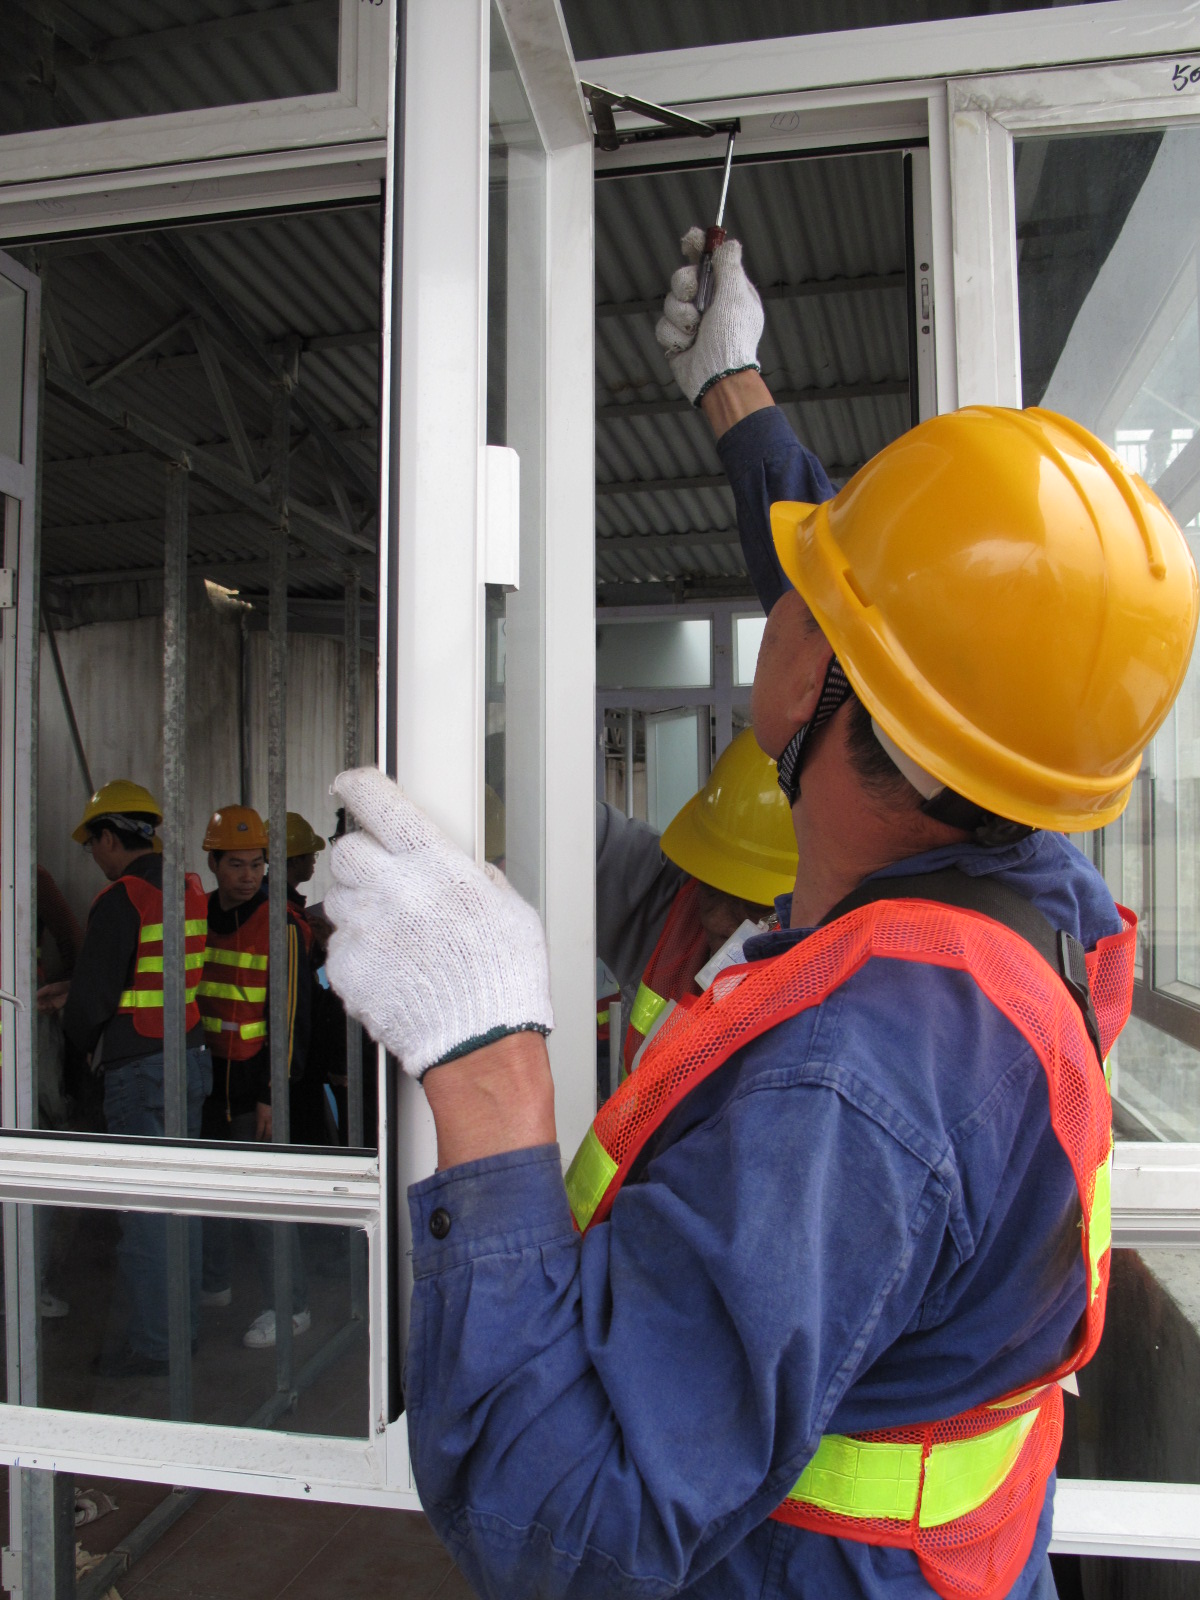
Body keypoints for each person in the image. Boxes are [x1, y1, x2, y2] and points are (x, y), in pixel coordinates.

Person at [319, 231, 1198, 1600]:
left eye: (803, 594)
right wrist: (735, 391)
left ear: (809, 688)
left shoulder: (853, 1084)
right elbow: (916, 630)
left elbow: (563, 1529)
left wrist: (489, 1069)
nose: (781, 591)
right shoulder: (1036, 889)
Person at [58, 780, 210, 1377]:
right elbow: (149, 973)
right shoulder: (187, 888)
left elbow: (93, 1002)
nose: (93, 856)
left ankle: (155, 1346)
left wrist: (73, 1044)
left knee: (147, 1214)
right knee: (181, 1203)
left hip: (140, 1071)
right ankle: (181, 1332)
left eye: (92, 844)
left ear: (108, 837)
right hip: (188, 1057)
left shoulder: (122, 897)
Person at [598, 728, 798, 1072]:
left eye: (750, 904)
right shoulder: (667, 902)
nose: (717, 919)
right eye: (710, 888)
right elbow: (558, 821)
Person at [195, 805, 312, 1348]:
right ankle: (214, 1283)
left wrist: (271, 1093)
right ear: (214, 863)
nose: (248, 876)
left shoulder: (279, 923)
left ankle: (291, 1307)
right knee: (210, 1192)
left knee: (266, 1201)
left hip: (253, 1086)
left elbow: (290, 1019)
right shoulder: (197, 915)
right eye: (236, 864)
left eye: (257, 865)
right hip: (206, 1080)